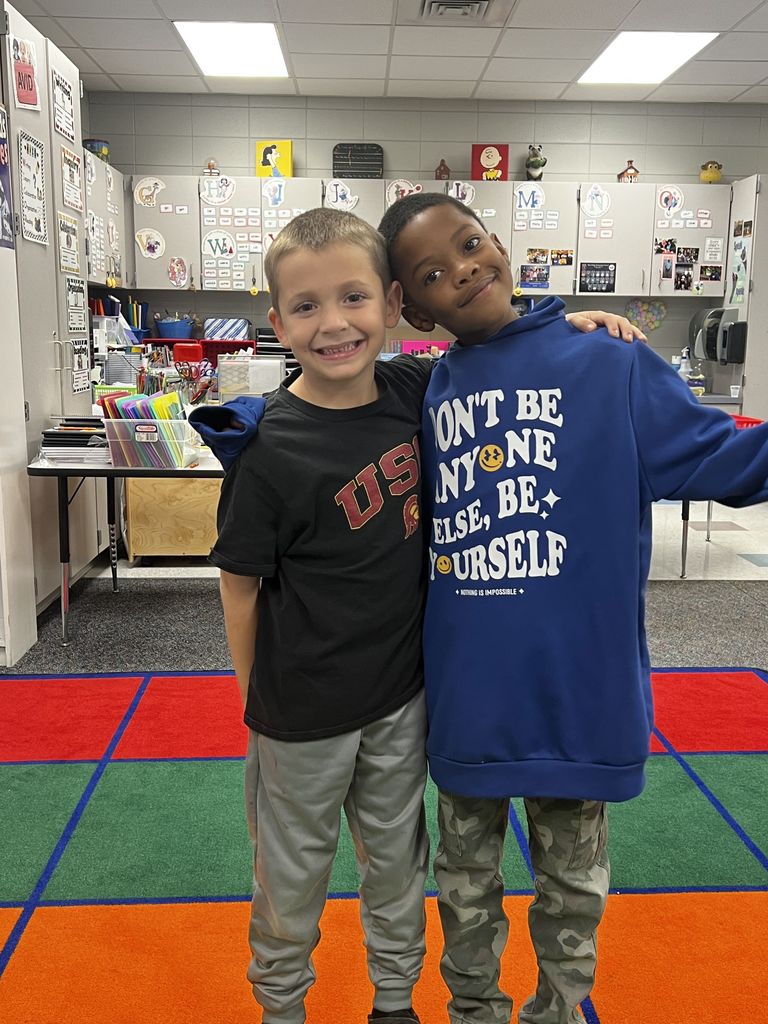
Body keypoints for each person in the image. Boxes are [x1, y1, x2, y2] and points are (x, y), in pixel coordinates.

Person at [191, 206, 643, 1024]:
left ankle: (394, 1003)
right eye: (306, 307)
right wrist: (255, 699)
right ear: (276, 321)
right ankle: (282, 1006)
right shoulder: (269, 453)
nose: (334, 324)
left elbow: (501, 351)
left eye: (355, 299)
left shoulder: (415, 387)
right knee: (290, 881)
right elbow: (238, 583)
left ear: (393, 306)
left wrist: (574, 324)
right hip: (299, 717)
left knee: (399, 867)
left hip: (403, 703)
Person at [376, 192, 768, 1024]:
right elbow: (327, 409)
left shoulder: (611, 363)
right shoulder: (424, 388)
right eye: (435, 274)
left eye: (473, 244)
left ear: (500, 241)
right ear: (413, 307)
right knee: (463, 889)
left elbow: (722, 461)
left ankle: (558, 1010)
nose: (467, 270)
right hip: (470, 700)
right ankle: (472, 1011)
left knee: (571, 891)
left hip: (577, 696)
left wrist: (567, 327)